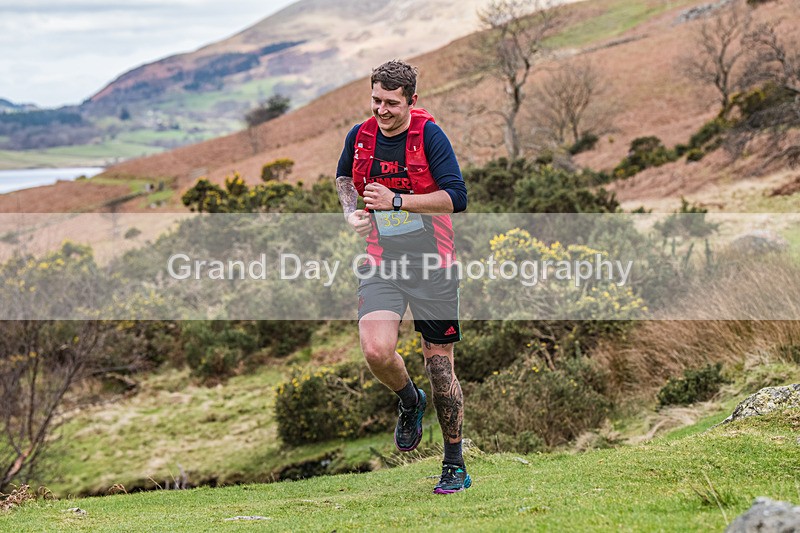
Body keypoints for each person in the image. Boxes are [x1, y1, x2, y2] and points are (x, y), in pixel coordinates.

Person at [335, 59, 470, 495]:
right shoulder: (360, 136)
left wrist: (397, 201)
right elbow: (343, 178)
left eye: (391, 103)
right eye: (376, 100)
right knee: (376, 351)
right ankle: (410, 400)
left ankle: (454, 464)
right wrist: (351, 214)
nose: (382, 110)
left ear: (412, 100)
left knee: (439, 367)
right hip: (382, 261)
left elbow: (457, 197)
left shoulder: (430, 136)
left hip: (433, 264)